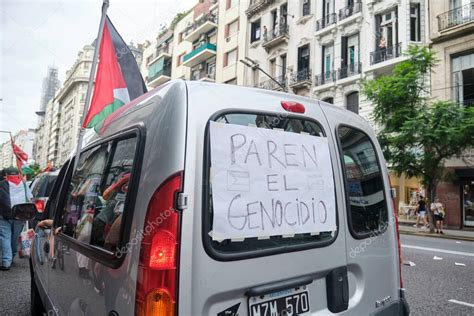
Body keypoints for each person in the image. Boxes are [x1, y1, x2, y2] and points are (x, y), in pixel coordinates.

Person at [0, 168, 33, 270]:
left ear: (6, 175)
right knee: (15, 238)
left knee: (5, 237)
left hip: (4, 216)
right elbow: (30, 198)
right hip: (20, 216)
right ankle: (11, 256)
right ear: (18, 174)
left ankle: (6, 262)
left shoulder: (2, 184)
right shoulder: (23, 184)